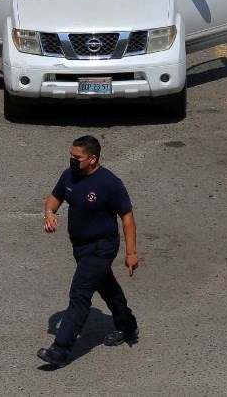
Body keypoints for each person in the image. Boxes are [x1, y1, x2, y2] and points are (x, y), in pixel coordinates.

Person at [38, 135, 139, 369]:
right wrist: (49, 214)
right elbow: (53, 199)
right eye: (71, 156)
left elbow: (127, 217)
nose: (72, 160)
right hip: (80, 247)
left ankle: (60, 350)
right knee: (106, 286)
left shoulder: (109, 183)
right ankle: (126, 324)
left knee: (80, 294)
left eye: (77, 157)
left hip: (101, 247)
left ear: (92, 159)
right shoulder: (69, 176)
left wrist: (131, 252)